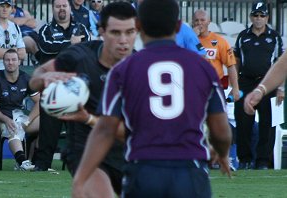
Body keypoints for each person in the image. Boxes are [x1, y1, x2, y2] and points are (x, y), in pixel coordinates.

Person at [72, 0, 232, 197]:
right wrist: (222, 152)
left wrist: (80, 178)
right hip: (190, 170)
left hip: (143, 170)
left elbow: (105, 129)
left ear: (138, 26)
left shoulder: (123, 70)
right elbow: (221, 131)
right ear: (179, 26)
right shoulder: (203, 68)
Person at [30, 2, 137, 197]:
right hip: (85, 150)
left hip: (126, 152)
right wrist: (43, 78)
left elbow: (132, 132)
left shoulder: (140, 70)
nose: (124, 40)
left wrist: (87, 118)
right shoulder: (80, 55)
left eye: (130, 32)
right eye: (115, 33)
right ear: (102, 32)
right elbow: (37, 77)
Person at [31, 0, 90, 171]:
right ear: (53, 9)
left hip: (74, 87)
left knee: (78, 131)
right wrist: (70, 44)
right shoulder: (45, 30)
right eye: (58, 6)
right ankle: (42, 166)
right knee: (48, 132)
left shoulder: (81, 29)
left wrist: (70, 48)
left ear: (70, 8)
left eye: (64, 5)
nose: (61, 8)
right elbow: (46, 48)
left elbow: (85, 51)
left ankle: (80, 167)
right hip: (51, 88)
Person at [234, 1, 284, 170]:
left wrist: (281, 87)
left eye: (262, 15)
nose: (258, 18)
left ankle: (263, 161)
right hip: (246, 81)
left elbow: (280, 63)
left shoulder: (274, 36)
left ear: (267, 17)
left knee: (268, 123)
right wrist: (235, 85)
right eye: (255, 15)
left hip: (268, 82)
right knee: (242, 121)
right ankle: (245, 159)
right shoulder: (243, 36)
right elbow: (237, 62)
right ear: (251, 17)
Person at [0, 49, 40, 171]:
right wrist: (6, 120)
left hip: (20, 118)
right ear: (3, 62)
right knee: (11, 128)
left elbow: (39, 101)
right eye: (7, 60)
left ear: (19, 62)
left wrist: (28, 120)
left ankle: (37, 160)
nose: (10, 63)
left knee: (48, 122)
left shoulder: (26, 78)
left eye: (13, 60)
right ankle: (22, 162)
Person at [192, 9, 240, 99]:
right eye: (196, 20)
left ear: (209, 21)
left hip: (214, 87)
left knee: (217, 113)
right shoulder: (187, 40)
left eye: (202, 20)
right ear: (192, 22)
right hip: (193, 87)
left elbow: (230, 65)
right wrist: (192, 37)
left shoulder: (220, 41)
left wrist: (235, 88)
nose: (199, 23)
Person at [0, 0, 26, 75]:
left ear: (11, 9)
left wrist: (2, 51)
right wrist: (14, 50)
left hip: (13, 72)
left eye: (8, 6)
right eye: (2, 6)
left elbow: (23, 54)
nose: (5, 9)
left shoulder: (15, 27)